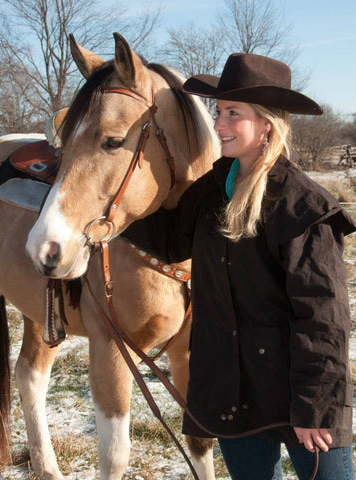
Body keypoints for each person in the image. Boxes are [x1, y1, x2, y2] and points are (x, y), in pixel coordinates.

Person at [122, 53, 355, 479]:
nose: (218, 124)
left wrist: (316, 407)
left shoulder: (303, 208)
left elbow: (324, 320)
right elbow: (170, 240)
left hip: (297, 398)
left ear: (266, 123)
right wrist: (108, 206)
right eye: (218, 111)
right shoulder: (214, 188)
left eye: (233, 113)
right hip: (230, 391)